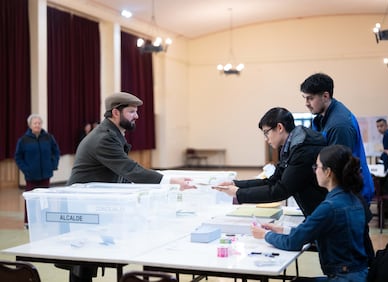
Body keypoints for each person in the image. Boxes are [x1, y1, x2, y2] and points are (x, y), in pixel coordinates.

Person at [65, 92, 195, 282]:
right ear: (115, 113)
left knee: (87, 262)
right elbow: (129, 169)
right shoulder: (105, 138)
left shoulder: (112, 133)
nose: (137, 116)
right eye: (131, 111)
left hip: (93, 203)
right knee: (82, 264)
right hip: (83, 205)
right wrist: (171, 182)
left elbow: (122, 172)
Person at [251, 145, 371, 281]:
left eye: (317, 167)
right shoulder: (353, 200)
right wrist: (283, 229)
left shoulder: (330, 207)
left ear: (328, 172)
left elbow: (293, 242)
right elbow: (316, 231)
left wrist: (265, 235)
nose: (314, 172)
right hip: (359, 275)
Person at [214, 107, 327, 217]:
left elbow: (281, 190)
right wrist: (236, 184)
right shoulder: (290, 147)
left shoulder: (302, 149)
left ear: (279, 127)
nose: (266, 138)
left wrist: (238, 193)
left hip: (323, 216)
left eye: (266, 132)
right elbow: (272, 181)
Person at [300, 72, 374, 204]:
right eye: (304, 98)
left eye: (310, 98)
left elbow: (338, 170)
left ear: (325, 96)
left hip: (350, 195)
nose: (306, 103)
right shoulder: (323, 117)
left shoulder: (339, 125)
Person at [14, 114, 60, 228]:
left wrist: (52, 165)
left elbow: (56, 152)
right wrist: (26, 169)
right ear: (30, 125)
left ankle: (45, 220)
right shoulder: (23, 140)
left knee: (44, 200)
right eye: (35, 123)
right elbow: (18, 157)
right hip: (31, 176)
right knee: (31, 200)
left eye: (39, 123)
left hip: (45, 175)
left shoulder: (48, 137)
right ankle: (28, 222)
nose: (37, 125)